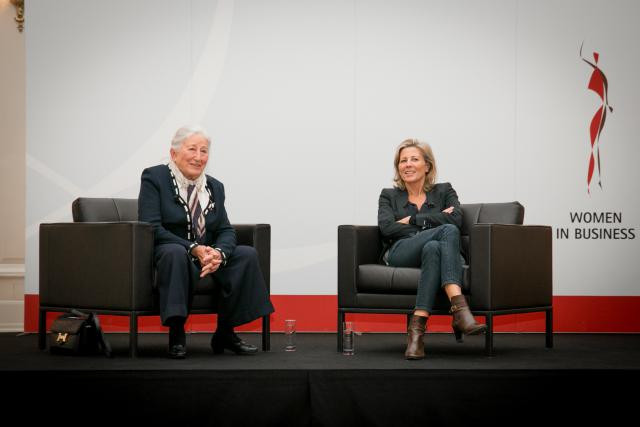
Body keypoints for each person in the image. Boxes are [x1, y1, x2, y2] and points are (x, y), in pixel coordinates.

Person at [138, 125, 274, 359]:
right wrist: (193, 248)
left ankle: (225, 332)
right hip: (172, 252)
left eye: (204, 151)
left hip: (206, 256)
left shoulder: (214, 186)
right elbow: (151, 227)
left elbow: (225, 229)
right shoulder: (155, 178)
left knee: (246, 254)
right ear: (174, 154)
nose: (198, 157)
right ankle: (177, 333)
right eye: (192, 149)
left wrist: (219, 254)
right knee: (174, 253)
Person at [378, 139, 486, 360]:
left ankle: (416, 334)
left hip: (434, 249)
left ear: (427, 166)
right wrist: (436, 220)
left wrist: (413, 220)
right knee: (445, 230)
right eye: (402, 160)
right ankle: (459, 310)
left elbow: (456, 217)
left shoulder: (444, 190)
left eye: (414, 159)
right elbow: (387, 229)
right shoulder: (388, 195)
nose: (407, 164)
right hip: (402, 251)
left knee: (433, 246)